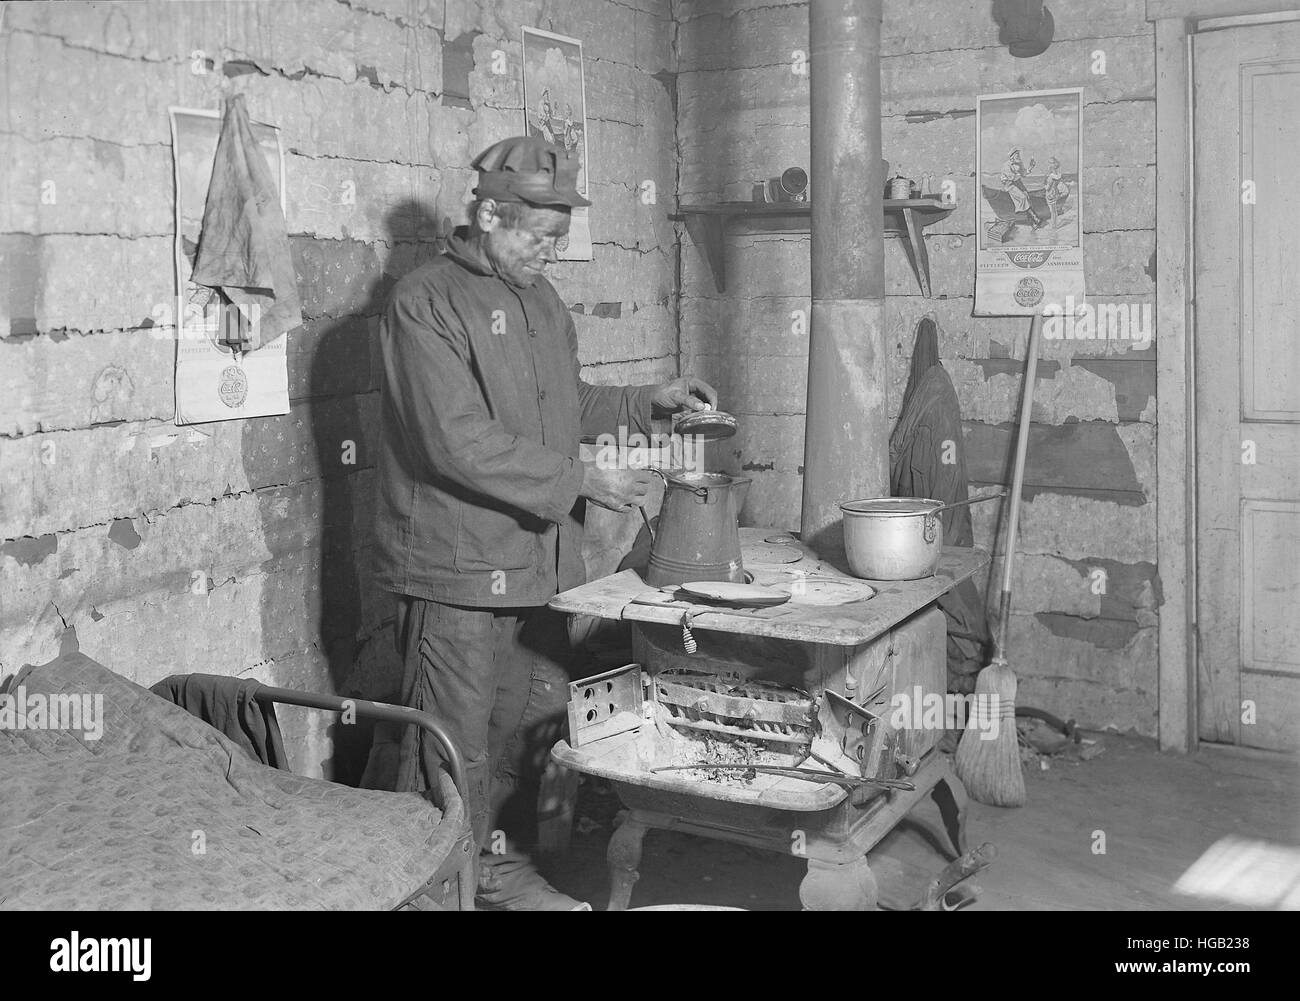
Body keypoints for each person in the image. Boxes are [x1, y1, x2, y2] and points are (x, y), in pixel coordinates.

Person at [374, 135, 718, 910]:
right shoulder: (422, 304)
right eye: (539, 237)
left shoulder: (539, 302)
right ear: (490, 212)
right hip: (456, 570)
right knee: (448, 744)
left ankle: (493, 870)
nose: (549, 254)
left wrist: (643, 401)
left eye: (559, 239)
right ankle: (432, 893)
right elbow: (453, 441)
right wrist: (582, 478)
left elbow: (563, 406)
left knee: (525, 729)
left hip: (539, 567)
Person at [1000, 148, 1042, 227]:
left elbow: (1024, 174)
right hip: (1009, 184)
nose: (1019, 156)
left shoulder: (1019, 163)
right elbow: (1013, 177)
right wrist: (1020, 175)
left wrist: (1031, 167)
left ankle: (1032, 223)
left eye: (1019, 154)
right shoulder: (1006, 165)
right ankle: (1035, 218)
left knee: (1027, 196)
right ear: (1012, 156)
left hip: (1017, 182)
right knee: (1023, 197)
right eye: (1017, 155)